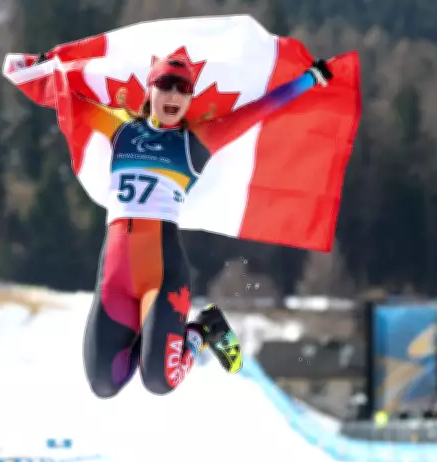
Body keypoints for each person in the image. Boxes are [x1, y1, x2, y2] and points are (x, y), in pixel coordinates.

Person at [36, 50, 334, 398]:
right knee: (103, 384)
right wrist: (41, 68)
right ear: (149, 90)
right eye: (165, 85)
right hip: (115, 279)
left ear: (191, 98)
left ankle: (202, 331)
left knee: (160, 381)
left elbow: (257, 112)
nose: (174, 95)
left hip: (161, 277)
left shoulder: (194, 143)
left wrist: (309, 79)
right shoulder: (119, 128)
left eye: (183, 88)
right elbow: (62, 99)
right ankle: (150, 339)